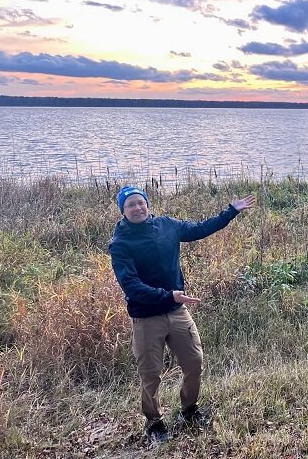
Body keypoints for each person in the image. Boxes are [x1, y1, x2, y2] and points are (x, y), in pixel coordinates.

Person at [109, 185, 255, 443]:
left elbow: (200, 229)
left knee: (194, 362)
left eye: (140, 202)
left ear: (147, 204)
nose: (137, 208)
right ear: (122, 210)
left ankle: (189, 409)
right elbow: (131, 285)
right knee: (150, 373)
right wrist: (168, 295)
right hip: (146, 317)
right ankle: (154, 422)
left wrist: (231, 212)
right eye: (130, 204)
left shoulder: (167, 225)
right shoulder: (121, 243)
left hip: (177, 310)